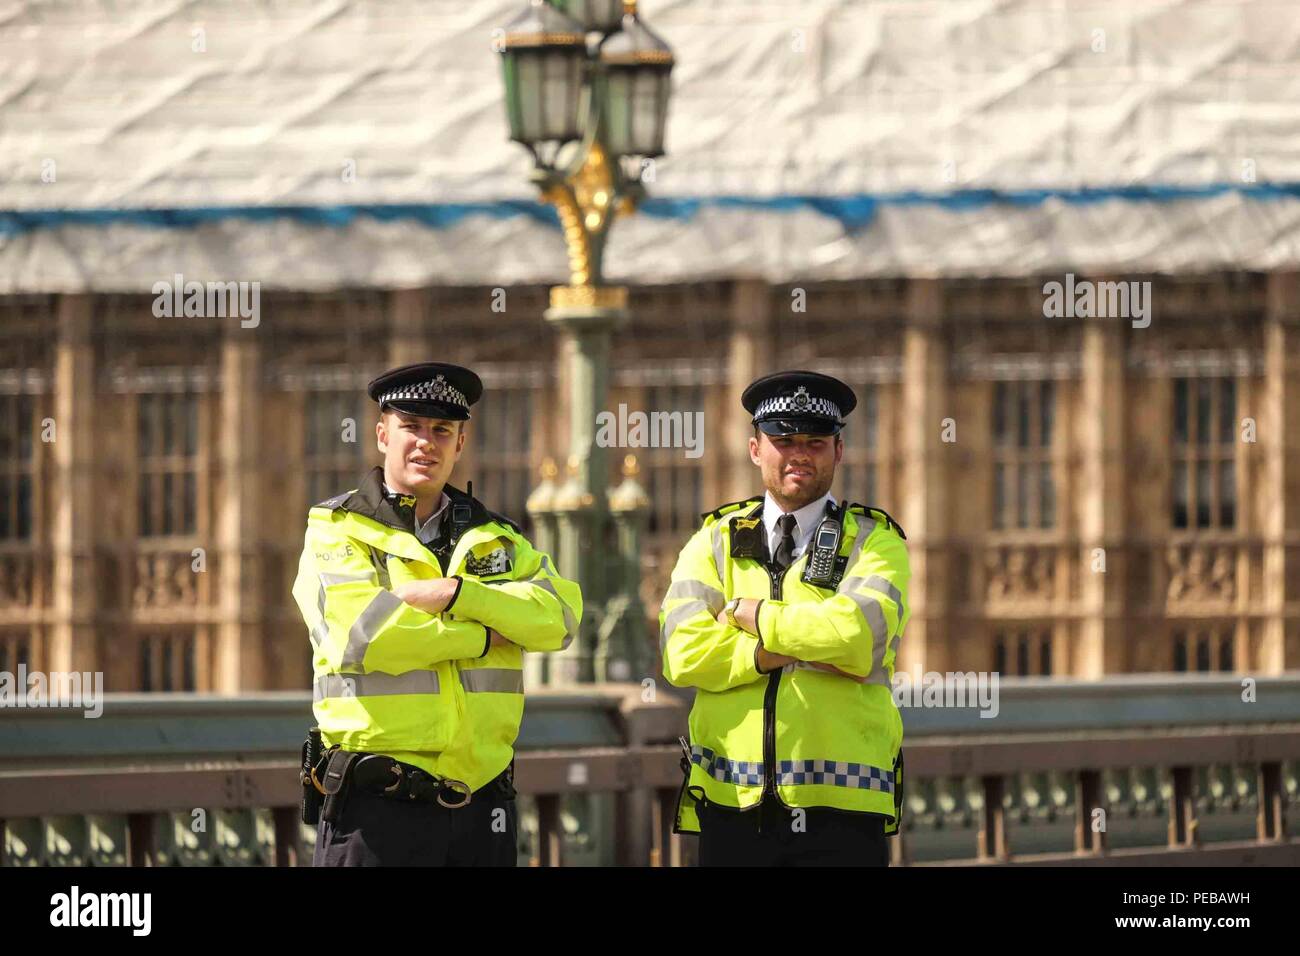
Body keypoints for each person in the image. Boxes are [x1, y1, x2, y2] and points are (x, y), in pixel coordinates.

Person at [292, 362, 582, 866]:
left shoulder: (500, 537)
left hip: (482, 809)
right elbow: (362, 635)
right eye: (412, 427)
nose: (427, 442)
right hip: (376, 812)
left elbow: (558, 619)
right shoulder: (337, 529)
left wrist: (457, 595)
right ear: (383, 434)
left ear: (460, 444)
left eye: (442, 430)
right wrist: (489, 636)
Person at [660, 370, 909, 866]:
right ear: (755, 449)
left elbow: (859, 639)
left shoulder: (875, 541)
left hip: (842, 809)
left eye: (815, 442)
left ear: (838, 451)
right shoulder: (714, 539)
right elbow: (681, 654)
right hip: (731, 805)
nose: (799, 454)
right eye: (783, 440)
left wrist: (750, 614)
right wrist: (782, 649)